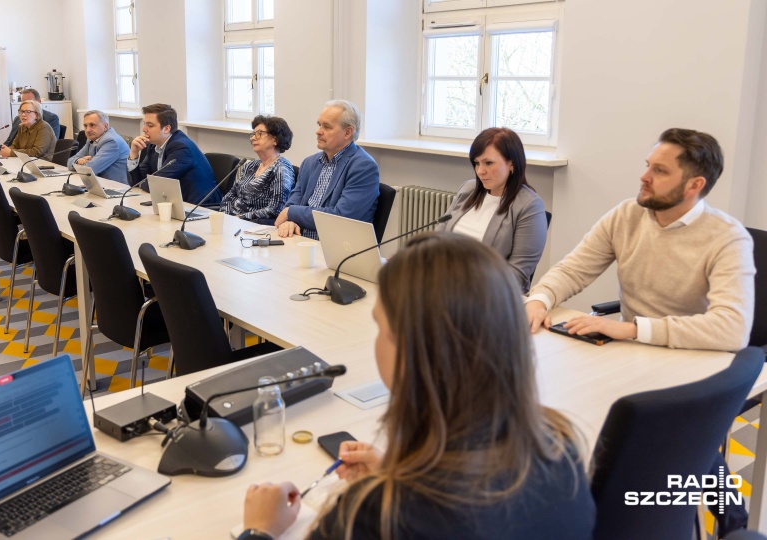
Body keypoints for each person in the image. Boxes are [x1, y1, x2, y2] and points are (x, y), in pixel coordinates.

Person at [239, 233, 595, 540]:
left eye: (381, 328)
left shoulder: (377, 516)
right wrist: (399, 475)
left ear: (412, 351)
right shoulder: (561, 450)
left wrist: (258, 530)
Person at [524, 128, 754, 533]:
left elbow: (732, 328)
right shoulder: (626, 215)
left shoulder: (726, 236)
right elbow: (573, 269)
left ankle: (725, 521)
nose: (644, 177)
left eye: (659, 171)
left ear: (694, 185)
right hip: (633, 356)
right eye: (648, 166)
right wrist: (539, 299)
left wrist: (632, 330)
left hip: (693, 362)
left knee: (669, 438)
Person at [436, 127, 547, 293]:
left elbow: (517, 274)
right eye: (477, 163)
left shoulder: (529, 206)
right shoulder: (468, 189)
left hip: (487, 296)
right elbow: (437, 239)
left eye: (488, 163)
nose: (480, 171)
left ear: (511, 163)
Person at [274, 100, 379, 239]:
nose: (318, 132)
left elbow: (341, 217)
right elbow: (292, 203)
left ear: (348, 132)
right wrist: (290, 221)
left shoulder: (363, 166)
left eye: (327, 127)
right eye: (319, 125)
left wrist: (291, 213)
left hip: (337, 245)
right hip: (301, 241)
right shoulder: (309, 163)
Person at [127, 103, 217, 204]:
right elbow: (137, 181)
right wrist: (134, 153)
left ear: (166, 129)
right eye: (144, 124)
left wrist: (144, 183)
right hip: (174, 204)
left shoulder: (181, 148)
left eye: (150, 125)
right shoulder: (152, 145)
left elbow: (158, 185)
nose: (144, 129)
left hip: (200, 207)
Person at [220, 115, 295, 224]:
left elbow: (275, 209)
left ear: (275, 139)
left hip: (254, 225)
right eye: (253, 134)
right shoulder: (251, 166)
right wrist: (224, 215)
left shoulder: (281, 169)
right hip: (232, 221)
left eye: (260, 133)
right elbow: (231, 195)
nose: (253, 138)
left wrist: (240, 218)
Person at [66, 110, 131, 184]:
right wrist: (78, 161)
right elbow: (69, 162)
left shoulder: (111, 142)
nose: (88, 130)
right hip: (101, 183)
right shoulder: (91, 139)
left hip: (117, 187)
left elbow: (90, 170)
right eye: (85, 126)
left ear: (105, 126)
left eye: (92, 125)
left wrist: (82, 164)